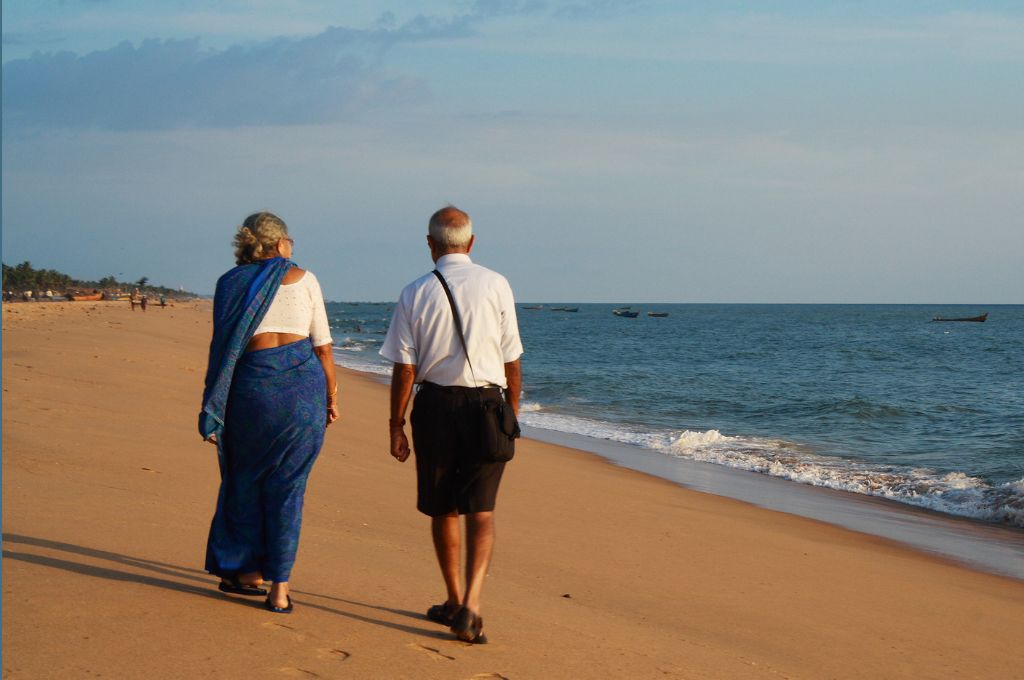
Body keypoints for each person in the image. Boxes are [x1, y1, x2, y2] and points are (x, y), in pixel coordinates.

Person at [381, 205, 523, 643]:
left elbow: (405, 368)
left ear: (431, 244)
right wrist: (511, 412)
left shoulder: (414, 292)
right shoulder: (496, 284)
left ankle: (455, 599)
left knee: (443, 506)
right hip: (487, 406)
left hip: (436, 407)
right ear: (472, 242)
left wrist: (396, 424)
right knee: (481, 510)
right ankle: (473, 604)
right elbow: (511, 358)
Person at [199, 211, 339, 614]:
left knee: (245, 480)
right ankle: (279, 590)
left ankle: (246, 573)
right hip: (302, 393)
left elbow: (224, 348)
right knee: (289, 488)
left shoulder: (229, 284)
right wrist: (331, 396)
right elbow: (323, 348)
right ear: (279, 244)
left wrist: (215, 400)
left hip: (251, 392)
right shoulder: (305, 279)